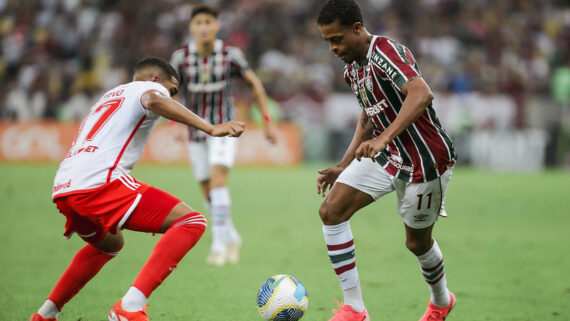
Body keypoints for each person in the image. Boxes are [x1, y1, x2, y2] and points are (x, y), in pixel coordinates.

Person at [29, 58, 245, 321]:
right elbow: (154, 100)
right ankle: (129, 307)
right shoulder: (149, 89)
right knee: (192, 222)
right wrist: (210, 127)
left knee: (109, 244)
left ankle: (45, 315)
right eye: (173, 89)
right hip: (101, 182)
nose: (173, 95)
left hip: (65, 184)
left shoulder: (110, 96)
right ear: (154, 79)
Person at [315, 1, 457, 321]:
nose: (332, 48)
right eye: (327, 41)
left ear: (357, 29)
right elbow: (369, 116)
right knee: (331, 211)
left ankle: (441, 300)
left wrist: (382, 139)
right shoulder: (352, 69)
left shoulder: (386, 51)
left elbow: (421, 94)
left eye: (336, 39)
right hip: (389, 156)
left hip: (425, 160)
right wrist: (343, 164)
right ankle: (355, 309)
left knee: (416, 243)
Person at [170, 4, 277, 266]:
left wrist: (266, 120)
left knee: (218, 182)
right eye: (199, 23)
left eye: (209, 22)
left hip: (225, 128)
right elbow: (167, 93)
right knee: (207, 190)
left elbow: (255, 84)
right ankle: (231, 236)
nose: (204, 27)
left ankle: (218, 246)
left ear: (217, 26)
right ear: (192, 27)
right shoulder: (180, 58)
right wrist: (171, 123)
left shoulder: (230, 55)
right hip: (196, 131)